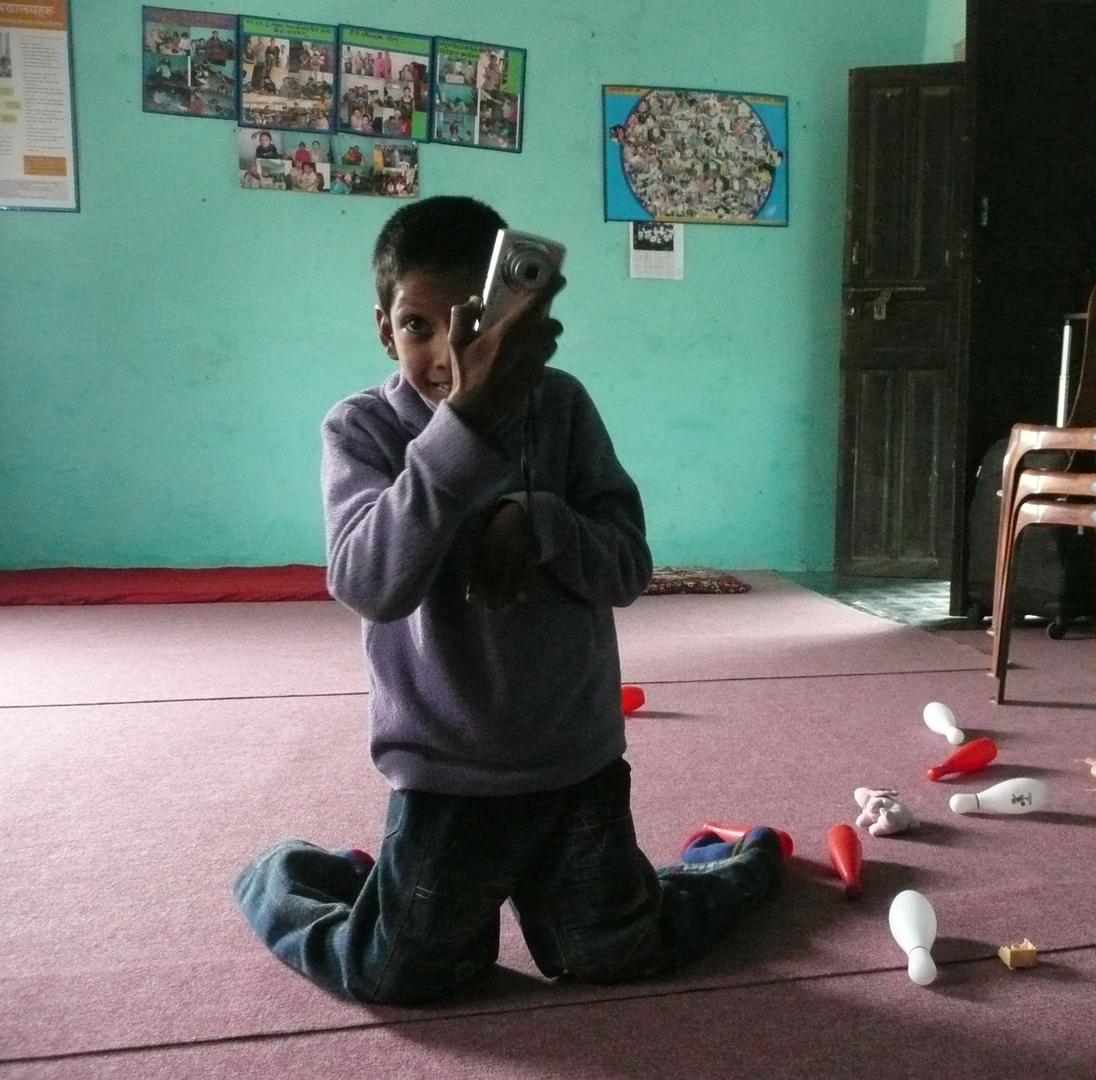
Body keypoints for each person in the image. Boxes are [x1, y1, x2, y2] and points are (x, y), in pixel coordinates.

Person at [231, 196, 783, 1004]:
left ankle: (734, 860)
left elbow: (627, 567)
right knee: (397, 976)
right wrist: (463, 427)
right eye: (420, 327)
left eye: (474, 323)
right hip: (447, 770)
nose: (450, 352)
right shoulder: (362, 431)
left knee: (618, 955)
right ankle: (290, 872)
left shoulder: (562, 408)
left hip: (573, 758)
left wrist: (544, 523)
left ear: (513, 317)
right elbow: (368, 584)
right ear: (386, 329)